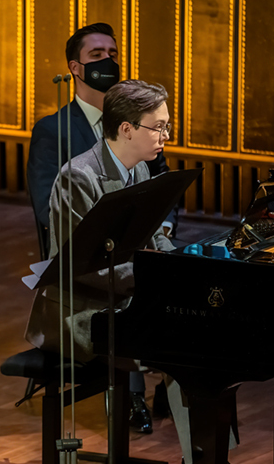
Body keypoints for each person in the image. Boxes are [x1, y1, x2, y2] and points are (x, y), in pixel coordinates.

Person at [25, 80, 259, 464]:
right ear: (127, 129)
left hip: (128, 300)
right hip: (79, 312)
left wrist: (185, 264)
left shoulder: (139, 168)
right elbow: (80, 267)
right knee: (181, 349)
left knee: (210, 338)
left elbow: (152, 242)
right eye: (159, 128)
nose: (165, 137)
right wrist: (157, 280)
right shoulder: (78, 178)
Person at [26, 21, 176, 433]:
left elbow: (158, 214)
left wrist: (164, 258)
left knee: (198, 336)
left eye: (113, 54)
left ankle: (206, 462)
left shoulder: (140, 162)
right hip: (83, 304)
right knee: (181, 339)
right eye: (97, 56)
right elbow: (80, 254)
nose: (108, 63)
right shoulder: (70, 162)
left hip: (122, 287)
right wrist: (152, 276)